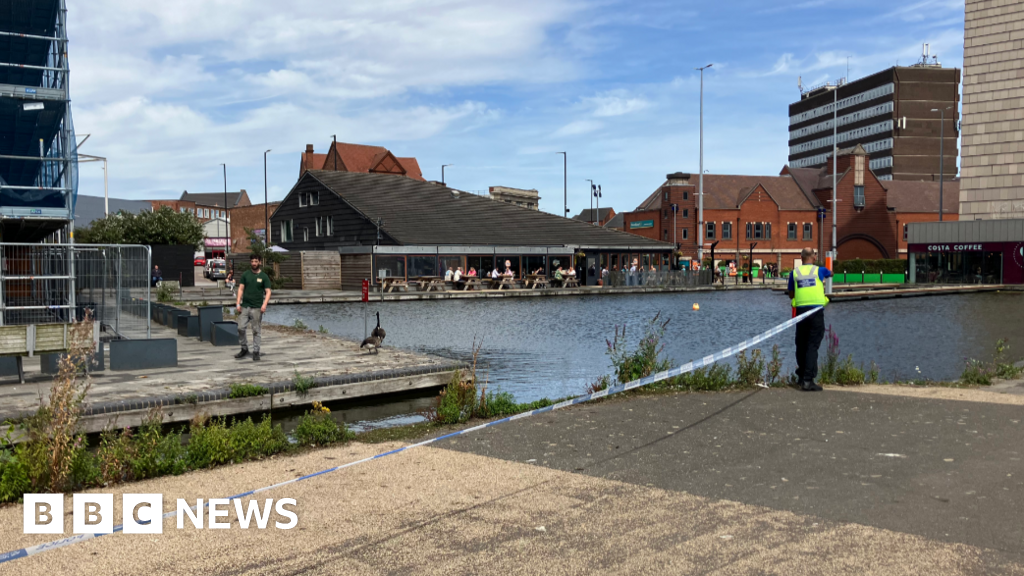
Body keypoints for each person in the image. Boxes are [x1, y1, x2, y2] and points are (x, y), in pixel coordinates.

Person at [786, 247, 831, 392]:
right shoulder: (820, 270)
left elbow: (791, 294)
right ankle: (807, 380)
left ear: (801, 257)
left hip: (800, 312)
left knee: (801, 344)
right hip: (815, 312)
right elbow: (831, 273)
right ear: (813, 257)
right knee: (812, 345)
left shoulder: (794, 273)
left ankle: (801, 377)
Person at [235, 254, 273, 362]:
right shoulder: (246, 275)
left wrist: (264, 304)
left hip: (257, 307)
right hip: (245, 306)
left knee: (256, 330)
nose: (254, 263)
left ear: (260, 262)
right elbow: (241, 289)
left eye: (256, 261)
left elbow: (268, 291)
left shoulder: (264, 276)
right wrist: (238, 303)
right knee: (240, 328)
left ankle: (256, 351)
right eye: (252, 261)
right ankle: (244, 348)